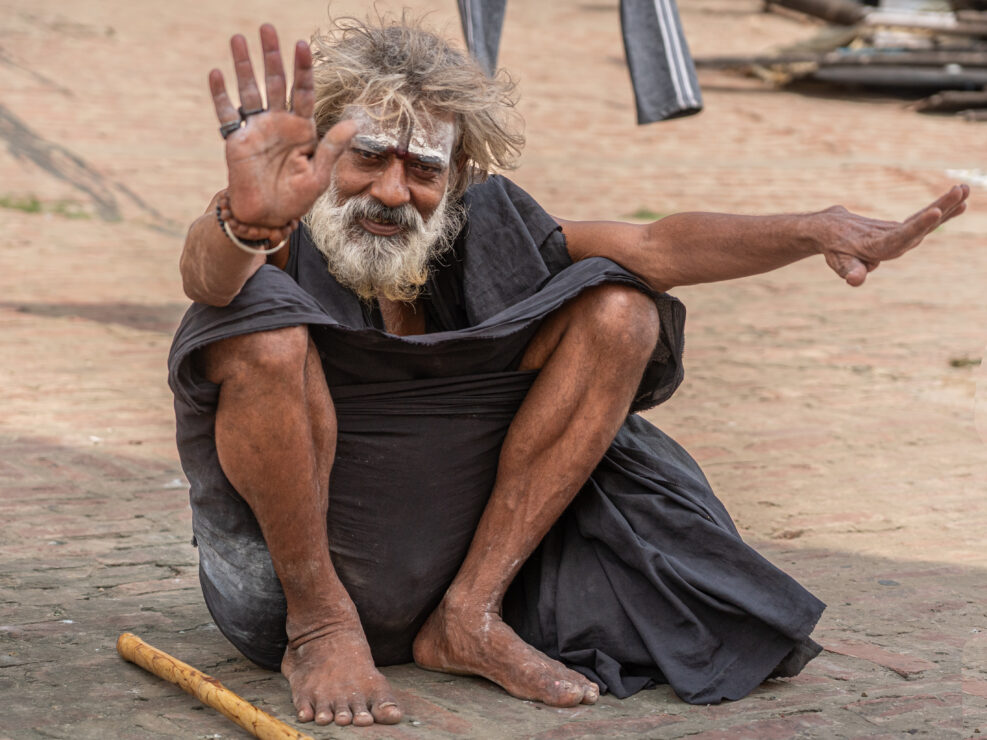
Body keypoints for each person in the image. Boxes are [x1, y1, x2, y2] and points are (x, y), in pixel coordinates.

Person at [167, 14, 969, 729]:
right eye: (366, 157)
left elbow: (656, 249)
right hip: (289, 596)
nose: (391, 191)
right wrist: (242, 222)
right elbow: (209, 282)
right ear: (315, 153)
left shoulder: (483, 227)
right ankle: (323, 627)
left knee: (620, 308)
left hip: (449, 567)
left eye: (422, 170)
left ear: (456, 182)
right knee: (257, 330)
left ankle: (470, 619)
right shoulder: (268, 216)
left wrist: (811, 228)